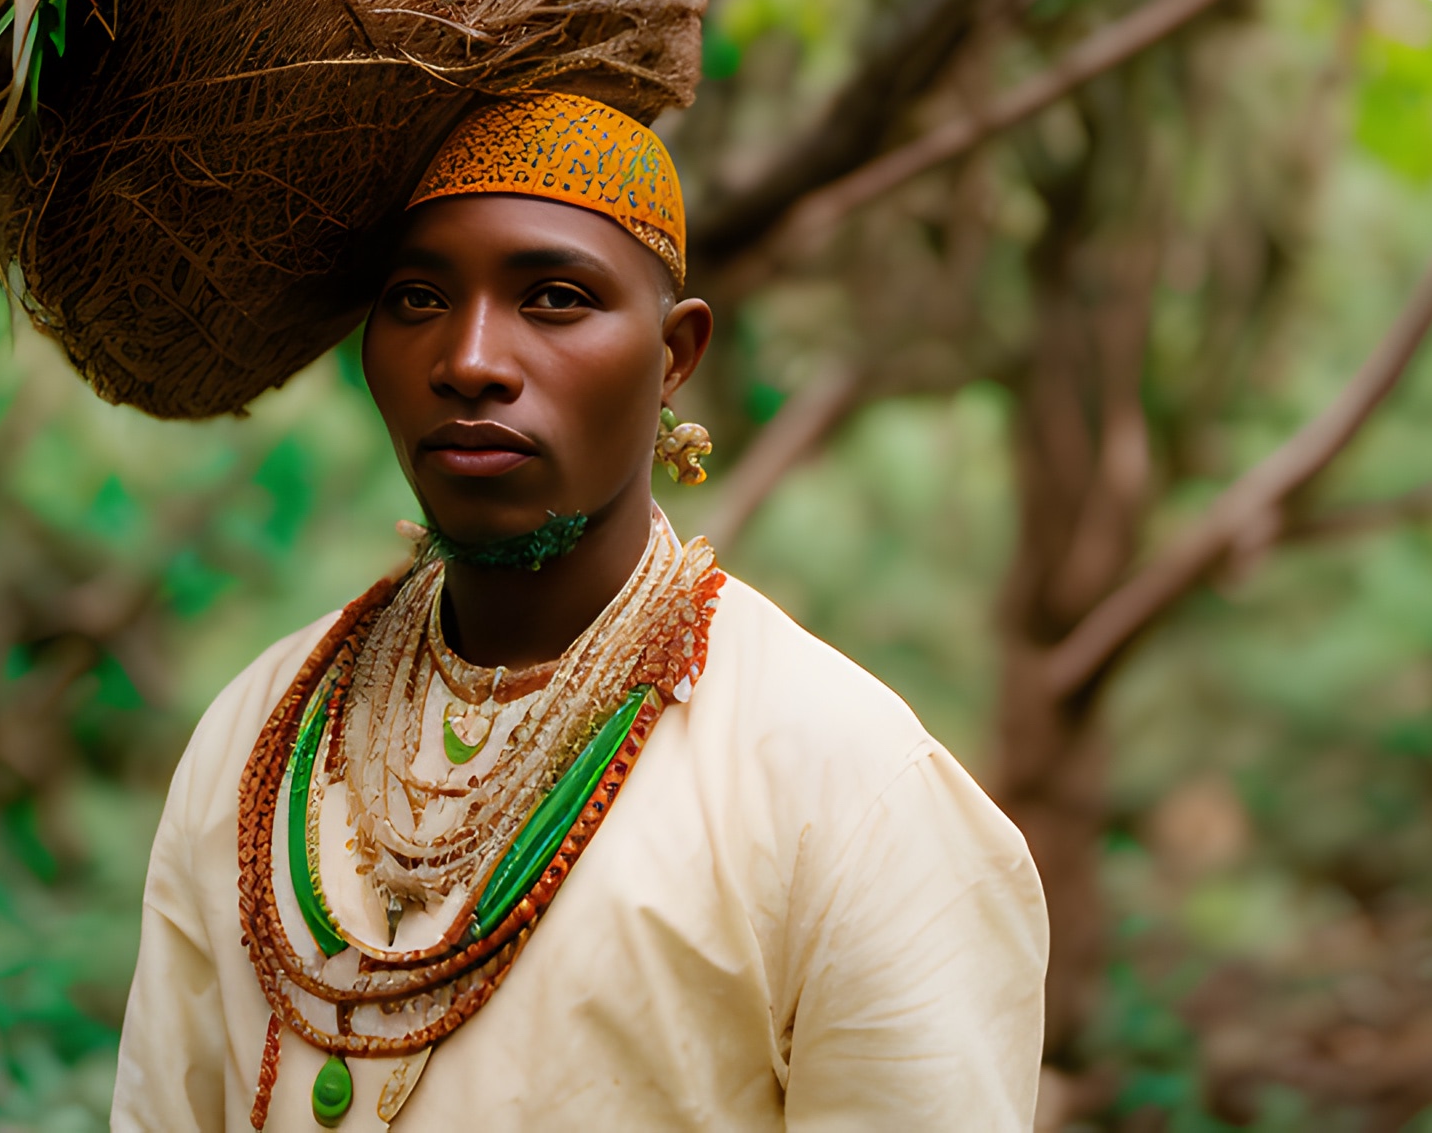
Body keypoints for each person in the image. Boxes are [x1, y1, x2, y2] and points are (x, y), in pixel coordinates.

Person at [108, 94, 1050, 1130]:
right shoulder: (260, 735)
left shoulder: (846, 790)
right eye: (416, 298)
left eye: (554, 298)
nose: (468, 360)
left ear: (673, 355)